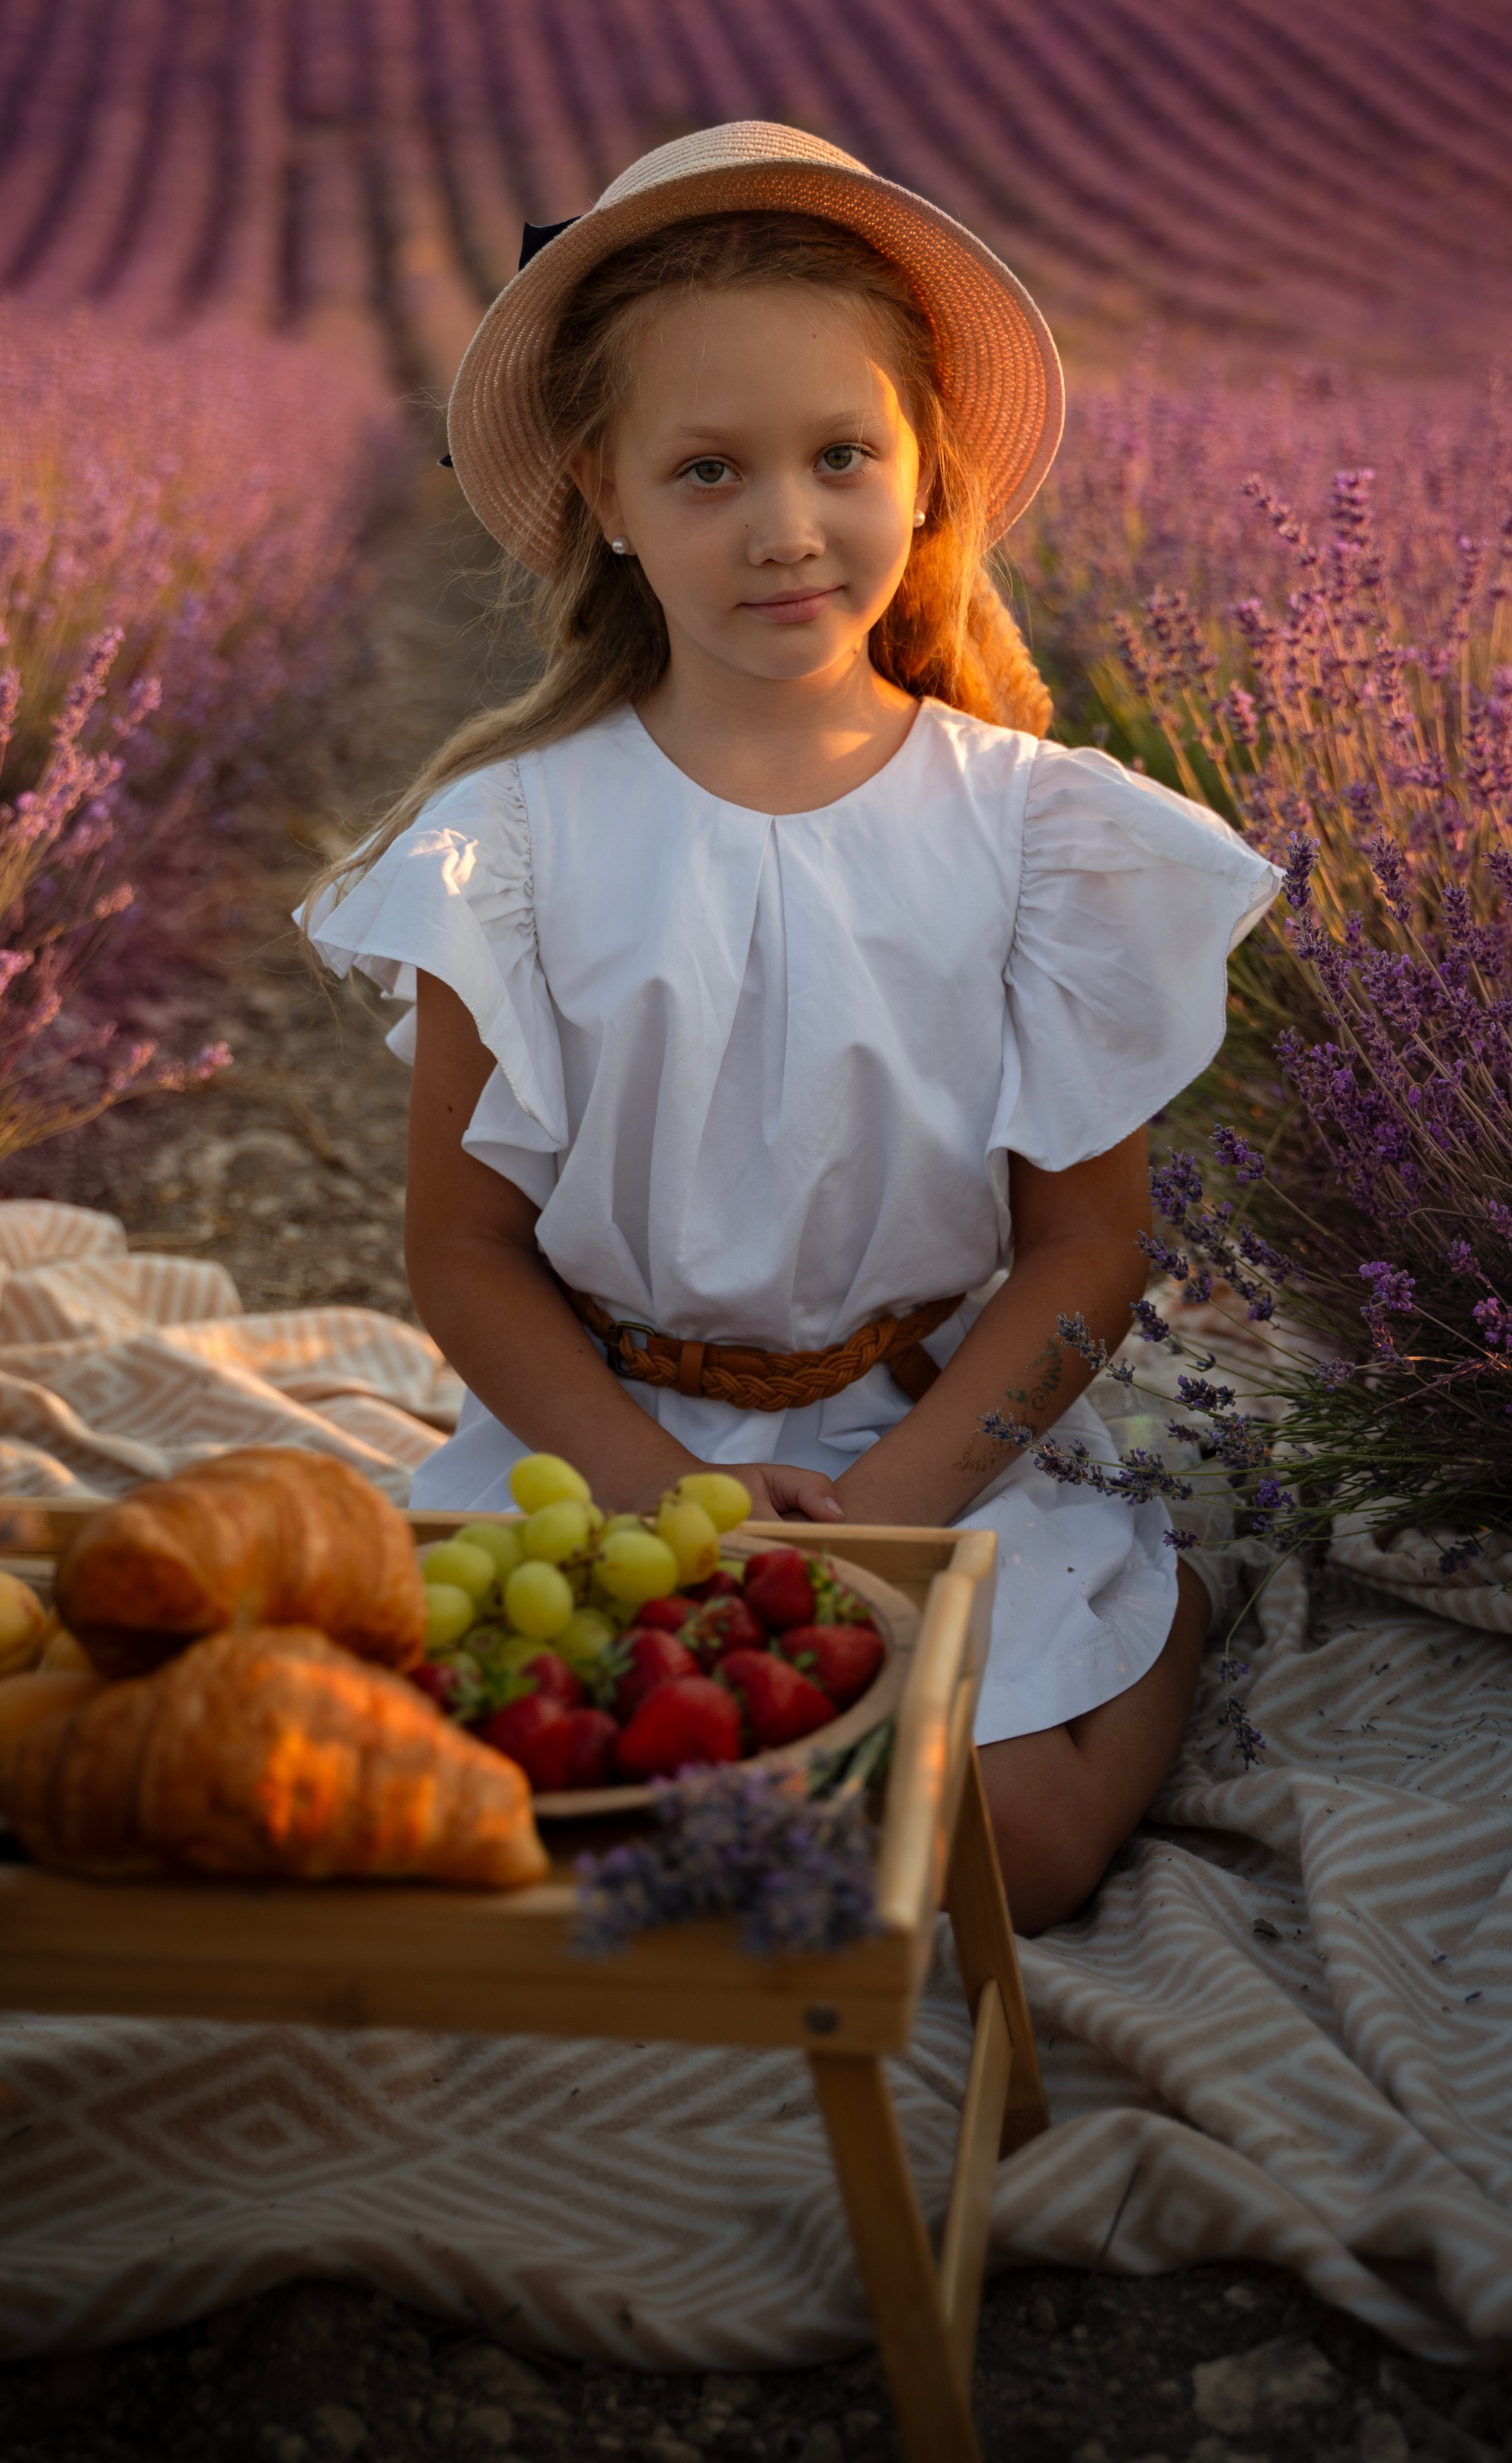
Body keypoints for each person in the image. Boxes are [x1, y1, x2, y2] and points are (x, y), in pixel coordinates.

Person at [302, 123, 1278, 1931]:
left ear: (922, 474)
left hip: (931, 1436)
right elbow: (461, 1250)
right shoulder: (507, 844)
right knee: (495, 1792)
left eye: (840, 455)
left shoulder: (1035, 831)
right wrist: (662, 1492)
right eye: (705, 470)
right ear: (601, 490)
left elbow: (1083, 1240)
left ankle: (1160, 1597)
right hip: (600, 1438)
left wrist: (895, 1511)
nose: (782, 527)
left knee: (1007, 1856)